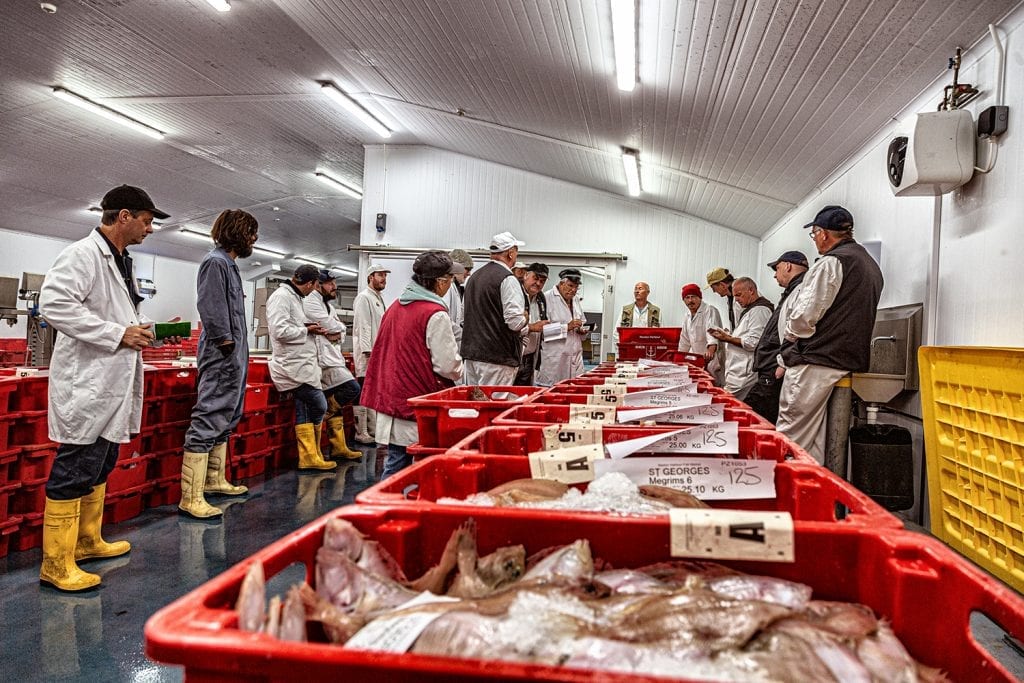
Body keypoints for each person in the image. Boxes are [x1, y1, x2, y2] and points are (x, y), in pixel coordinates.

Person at [38, 184, 169, 591]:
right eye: (147, 221)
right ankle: (56, 563)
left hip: (111, 381)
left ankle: (87, 541)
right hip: (87, 383)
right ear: (124, 215)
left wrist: (148, 332)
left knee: (102, 460)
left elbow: (118, 318)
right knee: (76, 464)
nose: (150, 229)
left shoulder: (121, 260)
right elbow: (55, 306)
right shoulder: (81, 255)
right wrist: (118, 333)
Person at [778, 206, 884, 462]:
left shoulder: (832, 263)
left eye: (814, 234)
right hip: (843, 359)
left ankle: (786, 497)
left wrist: (789, 340)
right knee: (815, 440)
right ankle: (812, 495)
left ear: (823, 234)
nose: (814, 240)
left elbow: (804, 316)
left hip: (816, 360)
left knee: (792, 437)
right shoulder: (870, 264)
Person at [178, 209, 259, 519]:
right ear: (237, 232)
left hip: (234, 355)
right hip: (222, 354)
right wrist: (226, 344)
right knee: (210, 414)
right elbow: (210, 306)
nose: (254, 239)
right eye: (251, 232)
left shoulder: (230, 265)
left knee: (228, 414)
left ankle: (213, 480)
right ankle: (191, 497)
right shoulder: (215, 263)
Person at [361, 251, 465, 479]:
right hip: (417, 403)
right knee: (418, 467)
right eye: (449, 280)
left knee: (396, 461)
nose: (449, 286)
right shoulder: (435, 314)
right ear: (440, 282)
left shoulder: (395, 307)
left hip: (392, 397)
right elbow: (447, 366)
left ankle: (386, 506)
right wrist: (462, 368)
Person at [266, 264, 336, 471]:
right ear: (310, 283)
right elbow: (279, 331)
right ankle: (310, 455)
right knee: (319, 404)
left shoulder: (295, 297)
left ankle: (309, 457)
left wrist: (308, 329)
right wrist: (306, 331)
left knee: (305, 407)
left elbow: (292, 326)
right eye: (315, 286)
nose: (314, 290)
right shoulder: (282, 297)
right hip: (290, 364)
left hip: (302, 363)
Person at [743, 252, 809, 423]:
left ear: (788, 266)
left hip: (775, 367)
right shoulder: (792, 291)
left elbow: (799, 330)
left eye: (777, 268)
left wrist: (782, 362)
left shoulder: (801, 289)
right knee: (761, 416)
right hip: (771, 366)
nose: (775, 274)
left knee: (752, 415)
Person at [304, 269, 362, 460]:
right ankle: (325, 415)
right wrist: (334, 330)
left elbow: (339, 329)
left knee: (335, 394)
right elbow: (328, 326)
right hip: (322, 360)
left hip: (330, 357)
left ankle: (338, 447)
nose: (334, 286)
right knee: (352, 388)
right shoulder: (312, 301)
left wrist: (337, 330)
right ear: (318, 285)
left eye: (333, 282)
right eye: (330, 283)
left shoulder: (327, 305)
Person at [460, 231, 529, 385]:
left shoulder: (473, 278)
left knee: (474, 406)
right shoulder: (508, 279)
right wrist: (525, 317)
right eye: (516, 251)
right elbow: (515, 322)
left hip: (471, 356)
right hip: (497, 359)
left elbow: (463, 318)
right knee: (495, 406)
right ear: (511, 253)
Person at [708, 277, 773, 395]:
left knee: (729, 403)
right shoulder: (750, 309)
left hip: (745, 372)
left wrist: (727, 338)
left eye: (738, 295)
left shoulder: (760, 311)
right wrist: (727, 335)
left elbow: (754, 342)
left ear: (751, 291)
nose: (736, 300)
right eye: (735, 296)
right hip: (739, 371)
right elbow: (746, 333)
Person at [352, 264, 389, 443]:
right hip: (368, 354)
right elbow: (363, 325)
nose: (383, 279)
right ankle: (361, 432)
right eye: (380, 275)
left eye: (384, 276)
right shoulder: (364, 298)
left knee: (373, 391)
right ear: (370, 277)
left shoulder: (378, 298)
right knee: (364, 390)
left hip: (377, 353)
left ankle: (373, 430)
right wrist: (367, 350)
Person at [536, 268, 588, 386]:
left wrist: (582, 330)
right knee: (551, 394)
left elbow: (582, 321)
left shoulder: (575, 300)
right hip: (555, 359)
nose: (573, 290)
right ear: (561, 283)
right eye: (570, 286)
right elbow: (541, 331)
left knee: (575, 391)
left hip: (576, 357)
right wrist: (566, 327)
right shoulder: (546, 298)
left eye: (576, 287)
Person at [514, 262, 550, 386]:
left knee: (524, 395)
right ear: (525, 275)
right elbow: (507, 324)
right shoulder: (515, 293)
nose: (538, 283)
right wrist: (532, 327)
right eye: (535, 278)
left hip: (530, 357)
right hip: (513, 356)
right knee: (506, 394)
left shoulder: (540, 298)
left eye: (542, 281)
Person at [677, 283, 722, 372]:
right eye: (687, 297)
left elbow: (712, 335)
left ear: (700, 298)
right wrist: (679, 360)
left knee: (715, 382)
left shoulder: (709, 310)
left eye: (693, 297)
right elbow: (684, 341)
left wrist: (710, 352)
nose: (690, 300)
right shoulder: (687, 316)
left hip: (713, 359)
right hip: (698, 361)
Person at [443, 248, 474, 348]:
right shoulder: (447, 287)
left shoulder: (456, 288)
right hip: (446, 343)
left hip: (452, 342)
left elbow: (459, 318)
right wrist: (464, 334)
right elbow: (444, 318)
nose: (469, 273)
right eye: (467, 269)